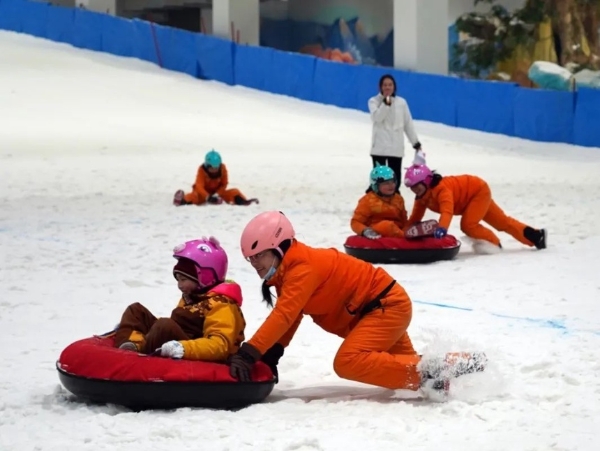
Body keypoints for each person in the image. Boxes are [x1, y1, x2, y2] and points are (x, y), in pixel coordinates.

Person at [227, 211, 486, 394]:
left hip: (385, 307)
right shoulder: (289, 272)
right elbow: (293, 315)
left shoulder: (302, 268)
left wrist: (249, 353)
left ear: (279, 246)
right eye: (251, 258)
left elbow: (284, 314)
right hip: (376, 309)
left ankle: (436, 371)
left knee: (349, 361)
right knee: (406, 368)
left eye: (259, 255)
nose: (255, 264)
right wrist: (272, 354)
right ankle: (464, 364)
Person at [114, 236, 246, 362]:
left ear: (204, 276)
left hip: (202, 353)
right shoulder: (193, 295)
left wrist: (182, 348)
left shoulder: (222, 304)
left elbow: (219, 345)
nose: (179, 285)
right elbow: (180, 325)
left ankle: (140, 359)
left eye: (183, 280)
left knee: (164, 325)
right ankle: (131, 345)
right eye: (178, 279)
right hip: (183, 340)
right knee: (136, 311)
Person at [403, 164, 547, 251]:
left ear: (427, 181)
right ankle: (537, 236)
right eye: (411, 187)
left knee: (468, 225)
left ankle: (494, 244)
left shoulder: (442, 190)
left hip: (478, 192)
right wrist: (402, 231)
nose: (414, 189)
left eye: (416, 185)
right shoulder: (421, 197)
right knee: (502, 222)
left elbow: (447, 211)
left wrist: (442, 228)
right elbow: (415, 218)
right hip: (471, 196)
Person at [368, 74, 425, 191]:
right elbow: (377, 118)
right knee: (380, 182)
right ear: (380, 87)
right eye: (385, 85)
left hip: (396, 149)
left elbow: (408, 124)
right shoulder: (373, 101)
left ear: (394, 87)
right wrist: (386, 102)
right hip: (380, 148)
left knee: (395, 182)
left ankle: (394, 206)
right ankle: (376, 206)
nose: (387, 87)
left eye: (390, 85)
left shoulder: (401, 103)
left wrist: (416, 143)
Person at [173, 149, 259, 206]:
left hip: (217, 192)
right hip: (203, 193)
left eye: (216, 168)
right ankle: (182, 201)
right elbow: (199, 186)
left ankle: (243, 201)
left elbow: (224, 184)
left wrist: (217, 194)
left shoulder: (223, 168)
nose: (215, 170)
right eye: (212, 168)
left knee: (234, 191)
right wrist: (208, 197)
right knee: (195, 196)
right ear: (207, 166)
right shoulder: (201, 170)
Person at [351, 164, 408, 239]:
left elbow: (403, 220)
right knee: (386, 225)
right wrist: (365, 231)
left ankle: (408, 238)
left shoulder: (398, 199)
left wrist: (408, 228)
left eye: (393, 182)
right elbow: (355, 222)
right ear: (376, 185)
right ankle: (406, 240)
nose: (391, 185)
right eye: (386, 183)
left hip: (397, 232)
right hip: (377, 233)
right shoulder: (368, 201)